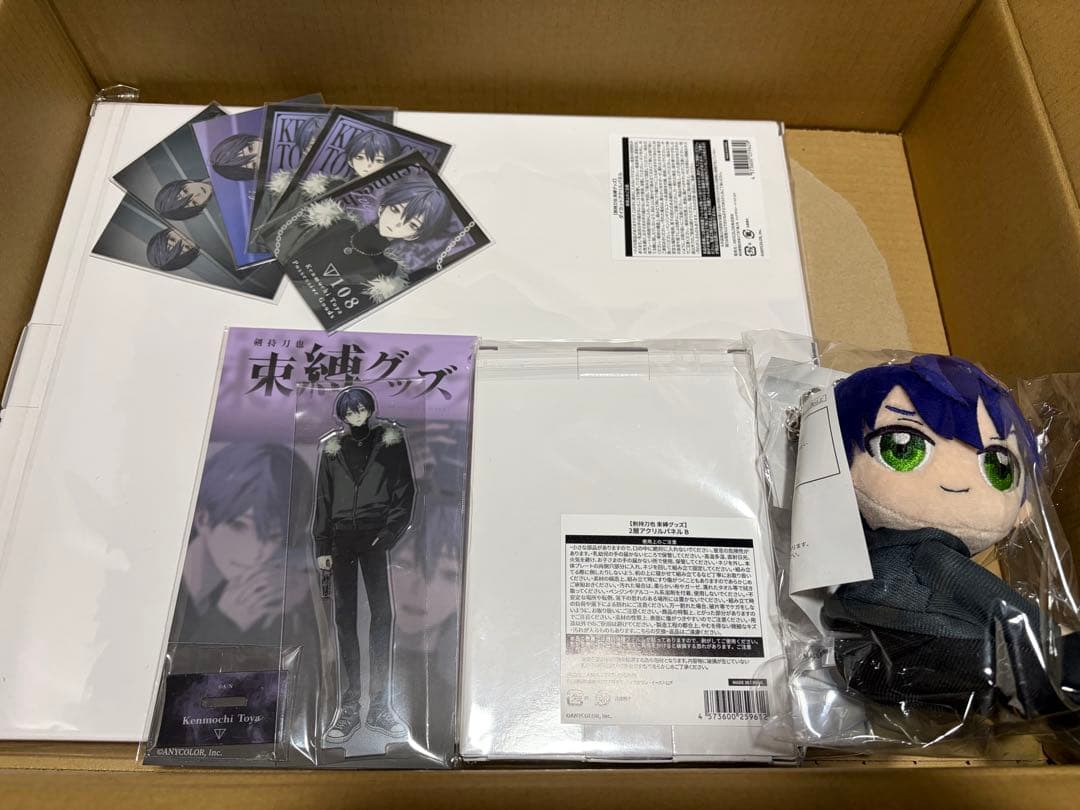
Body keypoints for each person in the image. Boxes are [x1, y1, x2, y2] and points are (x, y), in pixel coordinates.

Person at [824, 355, 1079, 718]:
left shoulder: (864, 551)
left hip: (868, 645)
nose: (957, 483)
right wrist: (1052, 640)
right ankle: (1047, 689)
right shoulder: (927, 553)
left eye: (998, 467)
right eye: (902, 448)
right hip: (908, 636)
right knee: (1020, 666)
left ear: (1024, 506)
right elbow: (991, 600)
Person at [313, 387, 416, 741]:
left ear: (370, 409)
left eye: (361, 409)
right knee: (345, 619)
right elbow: (323, 499)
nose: (356, 414)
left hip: (375, 538)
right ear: (342, 415)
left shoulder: (390, 443)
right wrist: (322, 543)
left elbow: (405, 490)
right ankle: (350, 707)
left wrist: (388, 534)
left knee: (382, 615)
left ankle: (380, 707)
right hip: (341, 539)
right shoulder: (332, 450)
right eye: (350, 410)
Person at [172, 442, 314, 644]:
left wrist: (306, 599)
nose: (256, 552)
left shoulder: (261, 592)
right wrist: (225, 623)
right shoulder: (159, 586)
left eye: (274, 536)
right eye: (239, 526)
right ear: (202, 519)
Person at [273, 174, 454, 306]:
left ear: (414, 235)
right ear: (382, 207)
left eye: (412, 224)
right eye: (395, 210)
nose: (397, 223)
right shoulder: (334, 222)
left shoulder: (386, 274)